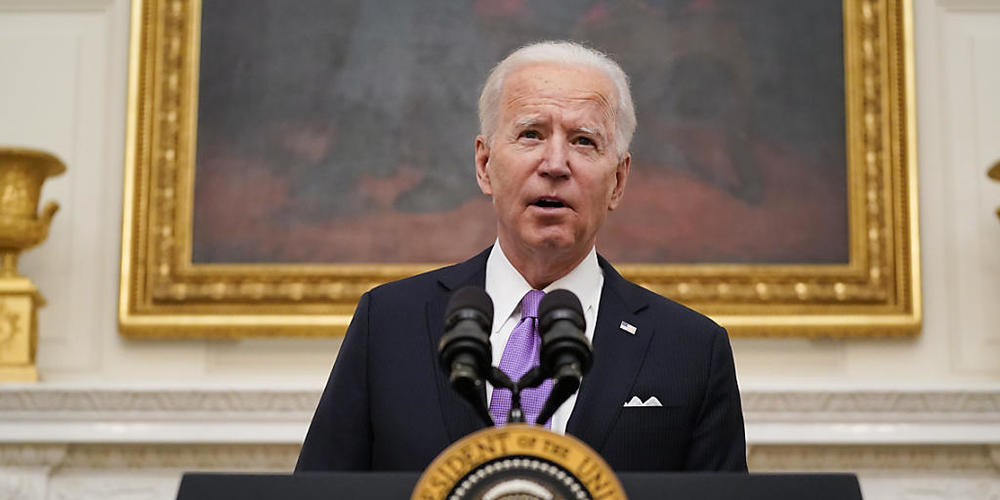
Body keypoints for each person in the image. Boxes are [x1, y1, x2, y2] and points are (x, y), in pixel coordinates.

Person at [296, 41, 746, 472]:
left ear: (619, 181)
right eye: (531, 134)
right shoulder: (390, 322)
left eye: (584, 141)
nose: (555, 163)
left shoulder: (691, 350)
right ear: (484, 165)